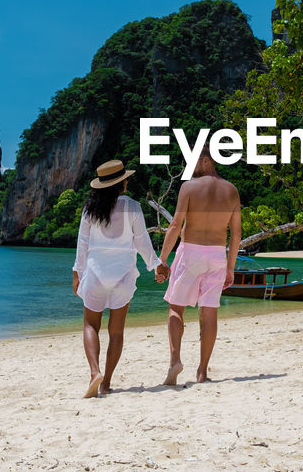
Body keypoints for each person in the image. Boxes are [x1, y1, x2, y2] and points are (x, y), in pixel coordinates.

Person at [72, 159, 163, 398]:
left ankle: (94, 372)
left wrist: (76, 273)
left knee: (91, 325)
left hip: (95, 273)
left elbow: (82, 244)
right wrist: (156, 265)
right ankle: (106, 382)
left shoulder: (89, 208)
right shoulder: (132, 206)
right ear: (121, 183)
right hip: (123, 275)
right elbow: (142, 239)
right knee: (116, 331)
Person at [155, 147, 241, 385]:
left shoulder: (189, 187)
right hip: (216, 255)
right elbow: (236, 235)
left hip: (190, 251)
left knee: (176, 307)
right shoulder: (231, 191)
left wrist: (162, 261)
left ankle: (175, 361)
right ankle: (202, 372)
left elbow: (175, 225)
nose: (189, 166)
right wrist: (230, 268)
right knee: (209, 312)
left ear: (206, 160)